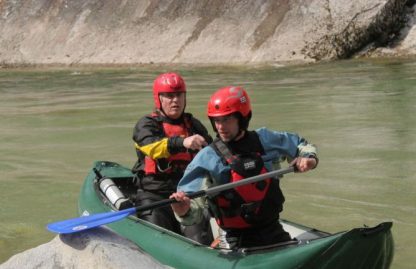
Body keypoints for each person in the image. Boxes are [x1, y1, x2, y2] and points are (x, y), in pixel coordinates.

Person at [170, 86, 318, 250]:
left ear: (243, 118)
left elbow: (300, 145)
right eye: (217, 120)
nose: (220, 127)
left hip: (273, 230)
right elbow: (192, 212)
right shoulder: (207, 158)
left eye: (227, 119)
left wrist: (309, 159)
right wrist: (183, 210)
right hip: (235, 238)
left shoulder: (264, 140)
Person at [132, 72, 214, 243]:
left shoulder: (194, 125)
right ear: (159, 99)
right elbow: (151, 147)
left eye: (179, 95)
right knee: (159, 242)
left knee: (201, 243)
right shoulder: (146, 124)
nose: (175, 100)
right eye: (169, 96)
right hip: (154, 195)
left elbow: (215, 153)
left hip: (187, 194)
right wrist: (182, 142)